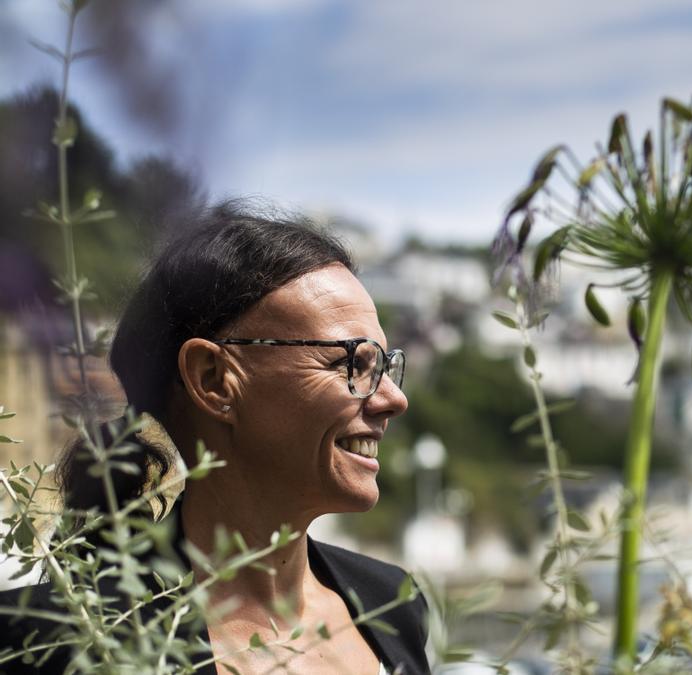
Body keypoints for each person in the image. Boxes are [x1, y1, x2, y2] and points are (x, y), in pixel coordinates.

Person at [0, 201, 429, 674]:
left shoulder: (392, 604)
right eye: (352, 362)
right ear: (213, 379)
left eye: (386, 367)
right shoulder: (64, 638)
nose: (393, 399)